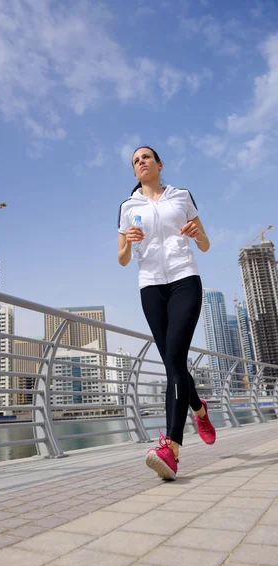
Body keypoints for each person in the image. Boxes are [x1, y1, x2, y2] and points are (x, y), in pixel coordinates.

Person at [117, 146, 216, 481]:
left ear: (159, 164)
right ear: (134, 172)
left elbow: (204, 244)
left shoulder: (181, 196)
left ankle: (170, 449)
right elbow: (121, 258)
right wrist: (128, 243)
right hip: (151, 287)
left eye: (146, 158)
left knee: (174, 354)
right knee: (173, 363)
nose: (140, 162)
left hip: (185, 278)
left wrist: (199, 235)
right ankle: (200, 409)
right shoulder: (128, 207)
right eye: (135, 161)